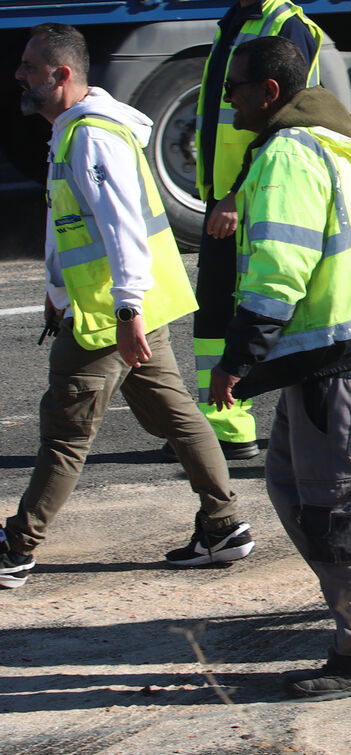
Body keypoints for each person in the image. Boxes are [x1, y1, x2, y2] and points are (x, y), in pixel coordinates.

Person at [0, 23, 254, 590]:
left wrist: (125, 311)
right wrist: (56, 286)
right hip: (124, 310)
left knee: (66, 436)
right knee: (180, 420)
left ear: (61, 75)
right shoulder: (76, 132)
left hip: (108, 319)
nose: (19, 75)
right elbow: (74, 225)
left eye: (29, 68)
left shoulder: (92, 138)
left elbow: (122, 229)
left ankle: (15, 550)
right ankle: (223, 526)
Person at [209, 36, 351, 696]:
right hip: (349, 356)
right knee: (291, 486)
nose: (227, 98)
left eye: (235, 86)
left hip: (338, 366)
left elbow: (278, 276)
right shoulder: (337, 139)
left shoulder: (289, 155)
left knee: (339, 511)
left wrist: (236, 361)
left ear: (269, 92)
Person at [177, 0, 351, 463]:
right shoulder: (234, 20)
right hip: (233, 187)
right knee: (216, 306)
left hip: (256, 187)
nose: (233, 95)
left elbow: (283, 110)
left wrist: (235, 192)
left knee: (269, 296)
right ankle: (227, 424)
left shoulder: (286, 25)